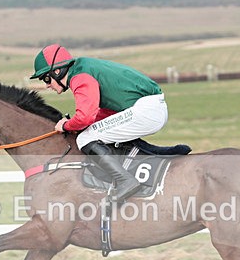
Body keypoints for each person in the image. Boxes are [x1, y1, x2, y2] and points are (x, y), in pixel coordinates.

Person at [30, 44, 168, 202]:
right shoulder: (84, 68)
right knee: (91, 132)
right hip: (149, 108)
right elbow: (103, 113)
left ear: (57, 71)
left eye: (46, 78)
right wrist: (77, 124)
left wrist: (66, 125)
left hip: (147, 111)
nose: (47, 85)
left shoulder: (79, 76)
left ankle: (126, 181)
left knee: (85, 139)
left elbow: (85, 117)